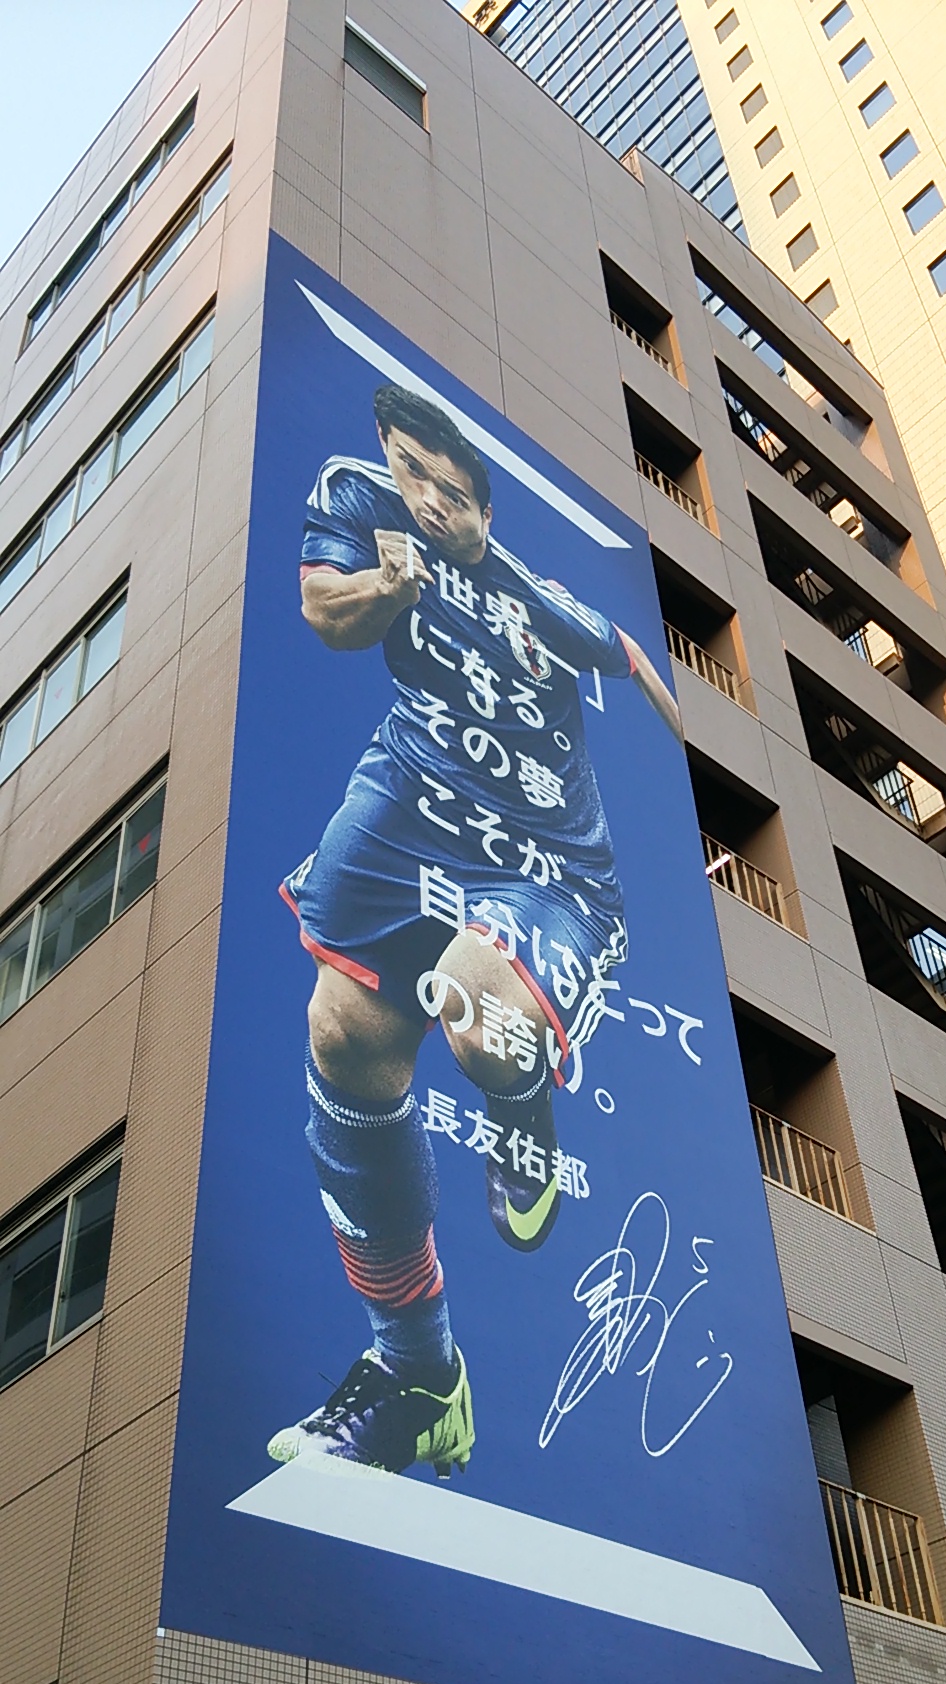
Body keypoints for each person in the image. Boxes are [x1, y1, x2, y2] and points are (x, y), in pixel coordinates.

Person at [268, 383, 680, 1479]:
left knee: (470, 993)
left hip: (545, 867)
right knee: (341, 1032)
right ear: (388, 458)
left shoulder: (537, 599)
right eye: (414, 473)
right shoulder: (363, 510)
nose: (430, 501)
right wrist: (388, 583)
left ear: (486, 513)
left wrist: (706, 776)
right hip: (412, 814)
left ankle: (522, 1112)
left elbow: (634, 659)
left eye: (453, 492)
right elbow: (325, 610)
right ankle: (420, 1377)